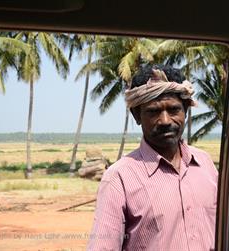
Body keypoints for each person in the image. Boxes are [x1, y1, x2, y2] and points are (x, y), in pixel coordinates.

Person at [87, 65, 218, 251]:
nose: (165, 121)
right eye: (153, 112)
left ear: (186, 110)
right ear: (136, 115)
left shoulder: (205, 165)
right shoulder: (119, 178)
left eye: (173, 109)